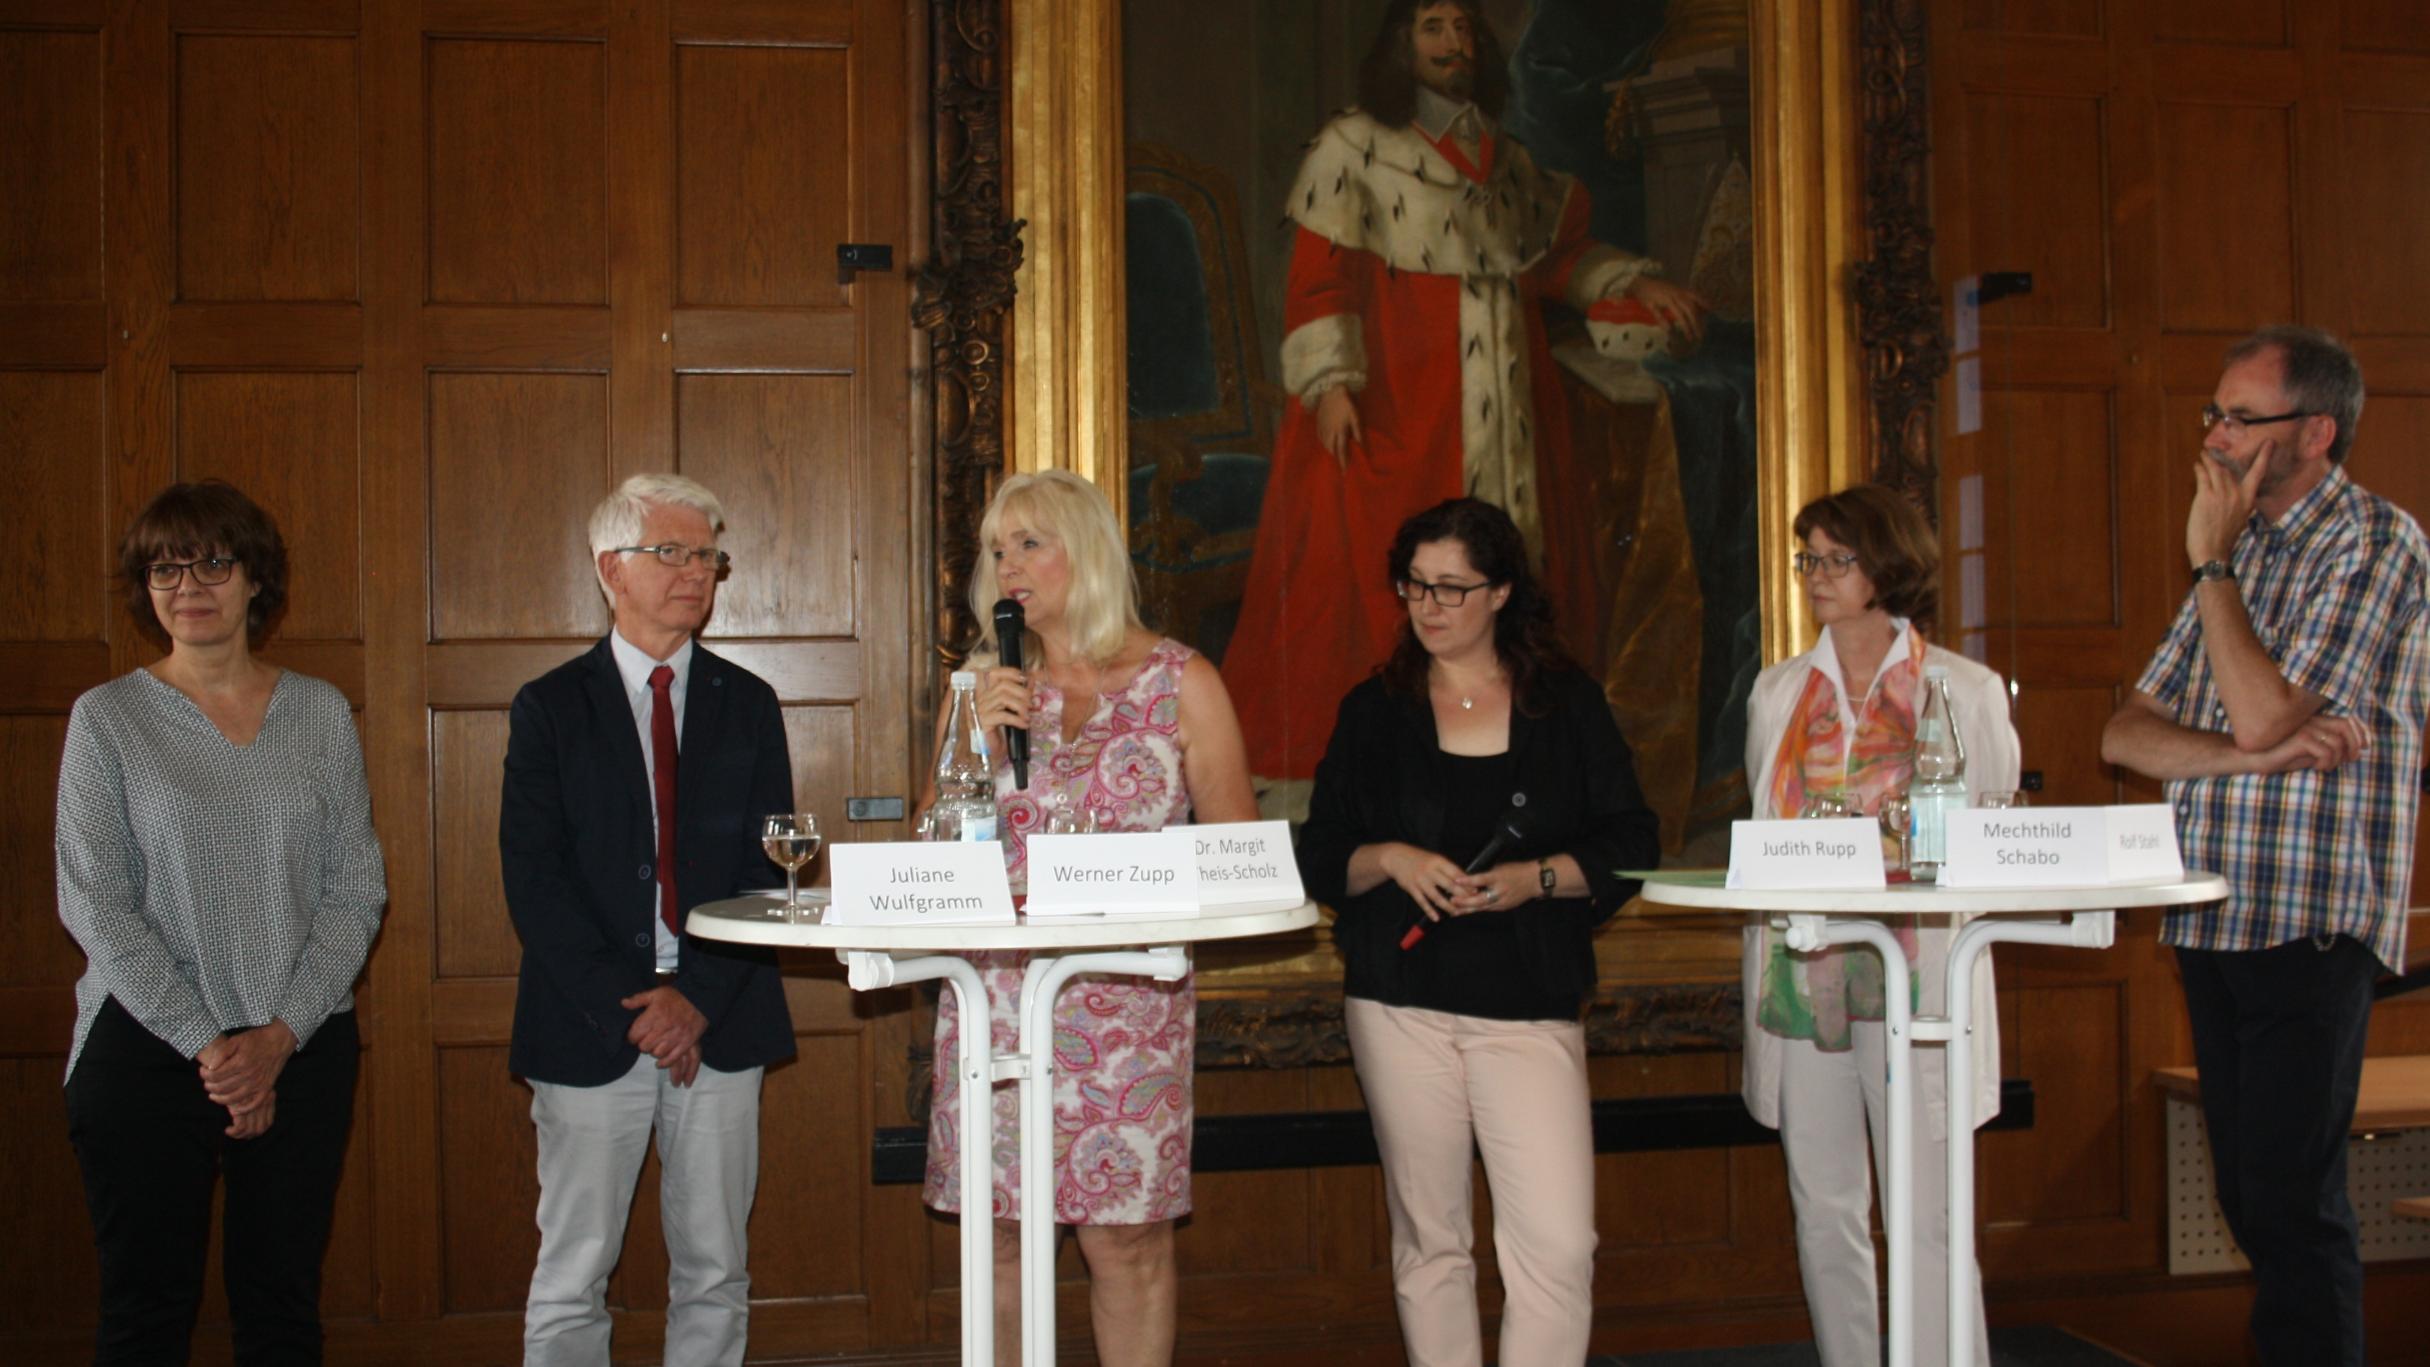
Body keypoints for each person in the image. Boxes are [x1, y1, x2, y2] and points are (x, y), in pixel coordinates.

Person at [1220, 0, 1709, 785]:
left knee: (1513, 584)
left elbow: (1551, 261)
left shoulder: (1506, 161)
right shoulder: (1355, 147)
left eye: (1464, 31)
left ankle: (1507, 752)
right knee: (1393, 586)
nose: (1455, 46)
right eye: (1434, 29)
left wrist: (1635, 282)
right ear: (1400, 46)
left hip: (1511, 412)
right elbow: (1319, 281)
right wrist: (1333, 384)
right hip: (1402, 414)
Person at [2101, 326, 2428, 1366]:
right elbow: (2124, 733)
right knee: (2250, 1193)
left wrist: (2208, 562)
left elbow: (2260, 707)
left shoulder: (2375, 545)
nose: (2216, 433)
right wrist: (2251, 763)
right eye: (2215, 410)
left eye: (2242, 415)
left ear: (2316, 430)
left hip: (2312, 915)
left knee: (2291, 1200)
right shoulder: (2238, 563)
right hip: (2214, 908)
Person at [1296, 497, 1658, 1366]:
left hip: (1529, 1002)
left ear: (1501, 592)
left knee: (1560, 1245)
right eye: (1414, 585)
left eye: (1452, 588)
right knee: (1432, 1239)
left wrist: (1534, 880)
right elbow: (1320, 854)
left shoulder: (1565, 704)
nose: (1428, 606)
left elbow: (1631, 840)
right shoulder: (1372, 710)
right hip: (1399, 1001)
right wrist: (1391, 858)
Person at [919, 469, 1257, 1366]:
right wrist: (973, 745)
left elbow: (1239, 859)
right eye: (997, 549)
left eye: (1031, 543)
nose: (1009, 567)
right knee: (998, 1237)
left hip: (1124, 1011)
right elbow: (927, 862)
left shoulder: (1179, 682)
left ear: (1090, 552)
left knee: (1127, 1241)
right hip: (991, 1000)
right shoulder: (980, 691)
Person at [57, 480, 388, 1364]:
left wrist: (276, 1040)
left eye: (212, 560)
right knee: (144, 1315)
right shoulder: (107, 718)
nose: (187, 583)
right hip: (146, 1050)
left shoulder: (318, 711)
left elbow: (356, 889)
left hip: (304, 1043)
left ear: (254, 579)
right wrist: (213, 1046)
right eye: (164, 567)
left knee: (281, 1310)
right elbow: (95, 899)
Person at [500, 473, 796, 1367]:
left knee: (716, 1268)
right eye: (670, 552)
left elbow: (768, 870)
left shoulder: (748, 703)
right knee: (572, 1273)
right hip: (592, 1026)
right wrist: (641, 1006)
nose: (694, 571)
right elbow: (535, 884)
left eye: (706, 553)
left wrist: (695, 1000)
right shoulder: (550, 706)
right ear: (609, 569)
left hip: (723, 1018)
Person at [1739, 484, 2015, 1367]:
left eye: (1834, 558)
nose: (1814, 575)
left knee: (1926, 1210)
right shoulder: (1778, 690)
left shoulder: (1962, 689)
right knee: (1824, 1206)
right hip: (1805, 978)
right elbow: (1764, 829)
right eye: (1807, 557)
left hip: (1920, 976)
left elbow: (1991, 829)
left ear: (1888, 567)